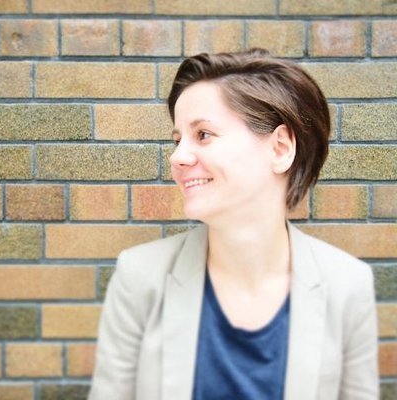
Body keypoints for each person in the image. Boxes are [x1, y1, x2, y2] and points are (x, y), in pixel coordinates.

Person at [88, 49, 378, 400]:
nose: (177, 157)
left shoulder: (347, 286)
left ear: (280, 148)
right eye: (177, 140)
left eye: (203, 134)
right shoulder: (140, 278)